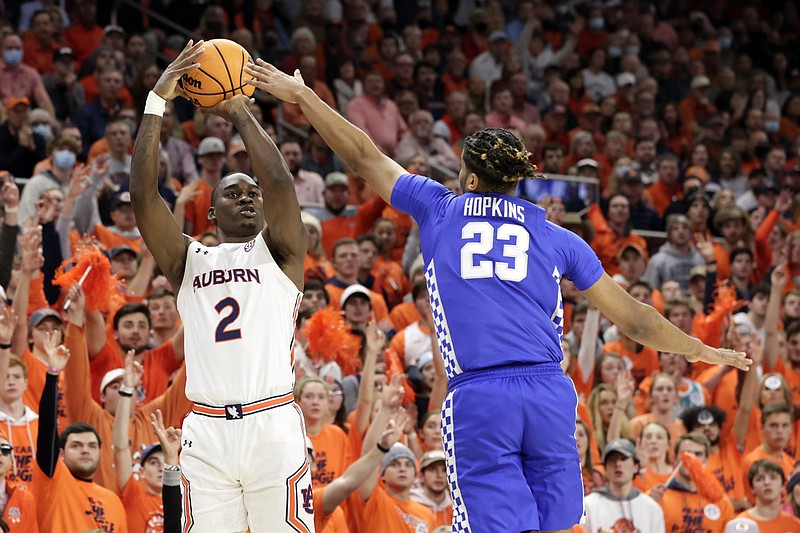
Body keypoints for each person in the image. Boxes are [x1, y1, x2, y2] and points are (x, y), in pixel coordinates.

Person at [247, 59, 752, 533]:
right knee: (557, 525)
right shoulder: (558, 238)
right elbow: (638, 321)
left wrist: (302, 95)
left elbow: (363, 156)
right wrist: (699, 349)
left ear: (468, 177)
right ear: (517, 182)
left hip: (483, 396)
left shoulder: (439, 208)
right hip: (550, 394)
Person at [131, 41, 313, 532]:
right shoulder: (187, 259)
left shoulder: (281, 254)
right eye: (233, 193)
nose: (249, 198)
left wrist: (239, 111)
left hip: (271, 423)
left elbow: (279, 184)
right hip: (206, 431)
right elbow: (144, 198)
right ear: (211, 212)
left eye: (252, 193)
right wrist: (156, 101)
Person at [583, 439, 666, 533]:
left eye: (623, 459)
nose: (618, 464)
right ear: (605, 469)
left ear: (636, 467)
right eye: (612, 460)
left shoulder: (652, 509)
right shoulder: (589, 505)